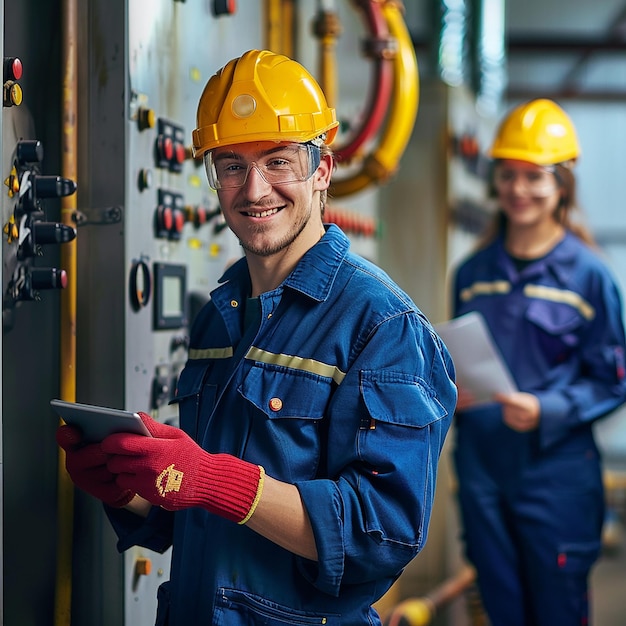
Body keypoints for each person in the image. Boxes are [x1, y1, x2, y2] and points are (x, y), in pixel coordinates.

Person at [56, 49, 457, 625]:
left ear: (322, 170)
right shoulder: (219, 314)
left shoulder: (381, 324)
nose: (254, 190)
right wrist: (130, 486)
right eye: (232, 166)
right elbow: (199, 513)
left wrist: (219, 479)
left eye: (278, 161)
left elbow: (384, 532)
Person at [450, 98, 626, 626]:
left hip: (555, 476)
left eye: (534, 177)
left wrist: (547, 408)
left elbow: (613, 380)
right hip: (482, 471)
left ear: (562, 184)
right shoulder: (472, 272)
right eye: (508, 175)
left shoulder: (588, 276)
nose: (518, 190)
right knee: (502, 610)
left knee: (556, 612)